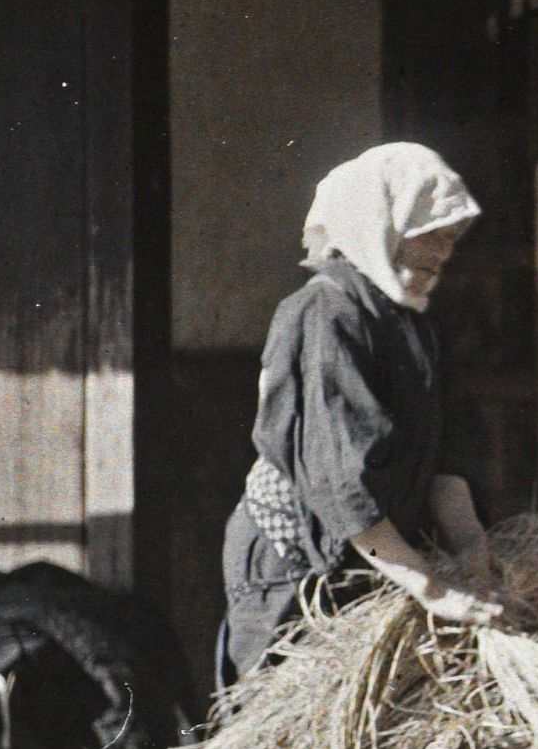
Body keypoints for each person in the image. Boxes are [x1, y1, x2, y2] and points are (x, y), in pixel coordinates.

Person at [216, 142, 506, 688]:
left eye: (451, 239)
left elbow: (448, 451)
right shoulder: (326, 314)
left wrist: (471, 547)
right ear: (382, 225)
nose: (444, 254)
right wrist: (434, 589)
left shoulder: (414, 323)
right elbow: (341, 481)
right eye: (433, 233)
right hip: (301, 563)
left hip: (376, 557)